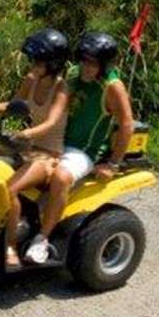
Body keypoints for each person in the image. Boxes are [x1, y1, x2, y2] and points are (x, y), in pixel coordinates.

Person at [0, 28, 71, 268]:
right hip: (28, 148)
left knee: (9, 189)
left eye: (38, 60)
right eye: (32, 59)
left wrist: (25, 133)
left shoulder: (62, 88)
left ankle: (11, 247)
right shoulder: (31, 80)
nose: (33, 63)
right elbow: (13, 105)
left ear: (53, 63)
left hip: (48, 156)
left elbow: (51, 122)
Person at [38, 31, 136, 248]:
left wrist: (112, 164)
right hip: (56, 141)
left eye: (92, 64)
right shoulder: (73, 74)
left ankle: (42, 239)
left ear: (104, 65)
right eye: (83, 60)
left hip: (83, 151)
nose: (86, 67)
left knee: (61, 177)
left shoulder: (112, 87)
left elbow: (127, 125)